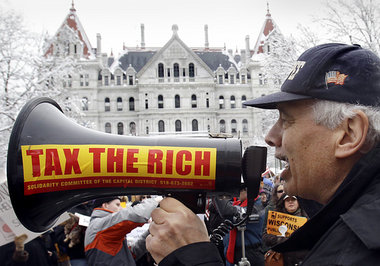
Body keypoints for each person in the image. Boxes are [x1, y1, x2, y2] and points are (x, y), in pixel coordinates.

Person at [146, 43, 380, 265]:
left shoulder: (360, 249)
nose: (270, 136)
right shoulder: (349, 223)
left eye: (286, 120)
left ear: (349, 134)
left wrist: (191, 257)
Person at [85, 196, 159, 266]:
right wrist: (156, 201)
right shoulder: (99, 225)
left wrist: (151, 231)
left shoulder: (100, 225)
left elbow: (130, 255)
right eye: (117, 205)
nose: (121, 208)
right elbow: (137, 215)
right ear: (105, 205)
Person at [262, 194, 308, 265]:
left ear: (298, 202)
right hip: (281, 260)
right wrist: (280, 240)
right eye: (287, 200)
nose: (290, 202)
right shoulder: (276, 218)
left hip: (302, 260)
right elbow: (266, 237)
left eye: (293, 199)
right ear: (283, 203)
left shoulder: (307, 218)